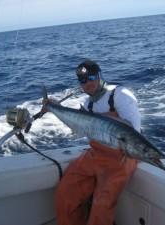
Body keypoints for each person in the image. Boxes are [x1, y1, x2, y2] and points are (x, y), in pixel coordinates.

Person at [55, 60, 141, 225]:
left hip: (122, 157)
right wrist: (54, 107)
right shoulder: (88, 104)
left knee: (101, 205)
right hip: (95, 154)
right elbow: (86, 134)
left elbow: (133, 134)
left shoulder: (120, 94)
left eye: (91, 77)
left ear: (100, 75)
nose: (88, 83)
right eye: (83, 81)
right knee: (65, 192)